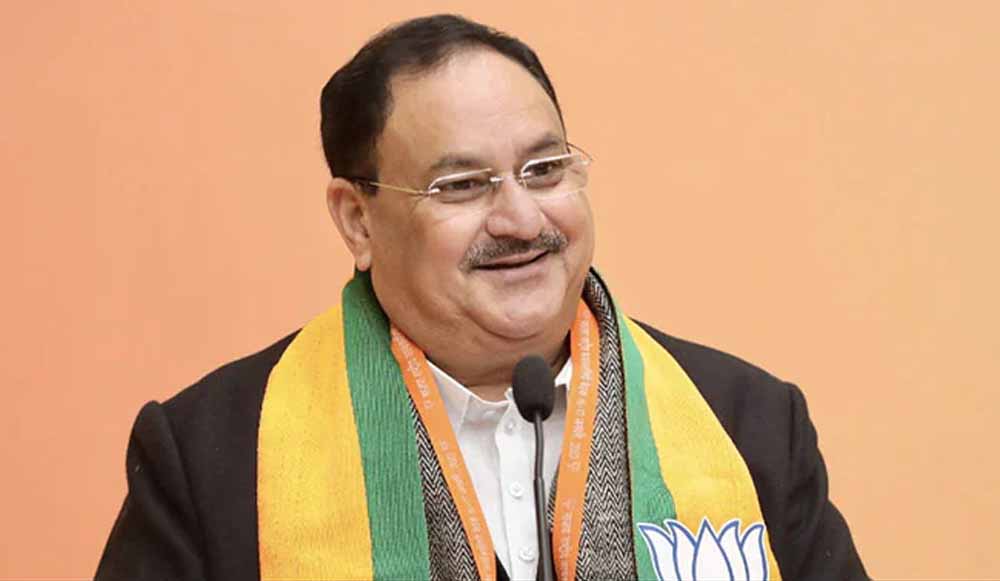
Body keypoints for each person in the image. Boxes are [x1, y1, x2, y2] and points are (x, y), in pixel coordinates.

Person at [96, 14, 868, 581]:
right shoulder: (212, 455)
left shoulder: (747, 422)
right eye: (462, 185)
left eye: (544, 170)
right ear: (357, 219)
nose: (522, 220)